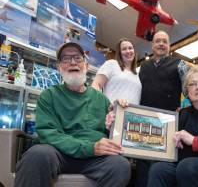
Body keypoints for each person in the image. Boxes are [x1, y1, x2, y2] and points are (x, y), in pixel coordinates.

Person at [14, 42, 131, 187]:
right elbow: (49, 134)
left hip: (93, 159)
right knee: (36, 155)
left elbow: (112, 135)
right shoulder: (49, 96)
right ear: (59, 67)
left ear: (86, 66)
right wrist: (90, 148)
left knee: (120, 166)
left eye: (77, 58)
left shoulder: (102, 100)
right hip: (58, 153)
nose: (72, 62)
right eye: (66, 59)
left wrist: (116, 121)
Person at [136, 30, 189, 186]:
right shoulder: (143, 67)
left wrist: (185, 110)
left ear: (169, 46)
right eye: (157, 41)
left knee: (160, 164)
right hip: (144, 120)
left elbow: (189, 90)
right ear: (152, 45)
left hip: (168, 122)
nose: (161, 44)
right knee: (142, 162)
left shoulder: (180, 64)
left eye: (164, 41)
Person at [92, 38, 141, 105]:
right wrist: (105, 105)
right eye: (124, 49)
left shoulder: (137, 75)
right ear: (119, 53)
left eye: (130, 48)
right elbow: (96, 85)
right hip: (111, 112)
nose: (128, 51)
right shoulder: (112, 64)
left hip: (131, 114)